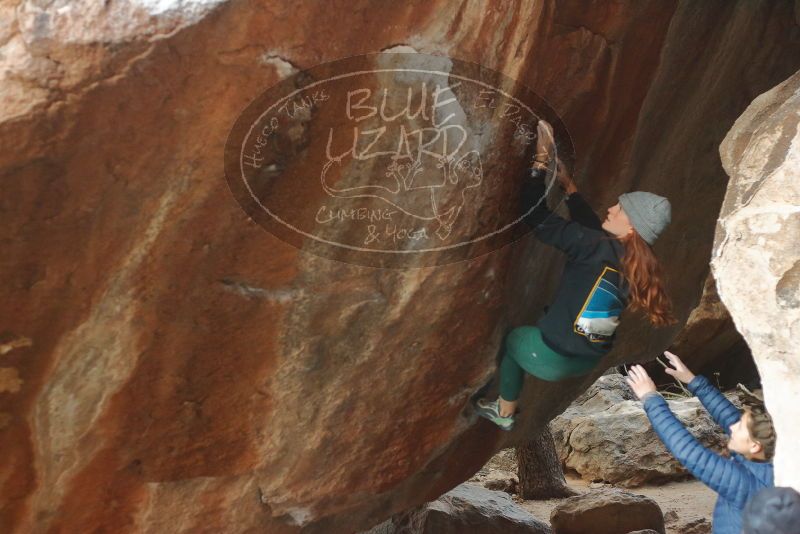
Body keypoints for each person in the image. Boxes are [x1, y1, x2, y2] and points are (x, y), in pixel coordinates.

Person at [474, 121, 676, 431]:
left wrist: (540, 162)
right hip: (585, 359)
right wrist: (570, 190)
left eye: (619, 209)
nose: (610, 208)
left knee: (514, 340)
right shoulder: (636, 262)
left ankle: (504, 411)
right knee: (535, 335)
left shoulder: (594, 247)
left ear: (632, 227)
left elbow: (534, 214)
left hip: (553, 356)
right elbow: (593, 233)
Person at [626, 351, 776, 534]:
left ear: (755, 446)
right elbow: (730, 417)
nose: (733, 428)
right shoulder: (766, 460)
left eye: (740, 428)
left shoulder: (747, 486)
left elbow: (689, 453)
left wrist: (650, 398)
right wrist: (692, 380)